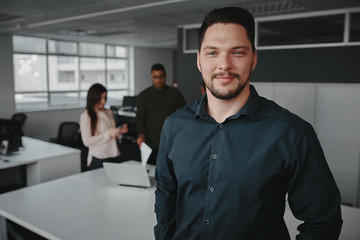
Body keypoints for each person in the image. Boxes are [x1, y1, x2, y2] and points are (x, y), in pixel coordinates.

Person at [154, 6, 342, 240]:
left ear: (253, 59)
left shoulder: (291, 132)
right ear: (199, 60)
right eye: (212, 53)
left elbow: (323, 222)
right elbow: (165, 196)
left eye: (238, 52)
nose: (224, 64)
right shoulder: (174, 125)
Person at [136, 63, 186, 165]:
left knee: (170, 171)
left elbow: (186, 111)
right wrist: (141, 135)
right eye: (155, 77)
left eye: (161, 77)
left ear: (165, 76)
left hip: (170, 140)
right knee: (151, 170)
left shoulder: (174, 93)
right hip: (150, 141)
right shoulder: (144, 95)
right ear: (151, 76)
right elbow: (140, 118)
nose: (158, 80)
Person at [80, 83, 128, 170]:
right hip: (99, 158)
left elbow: (111, 133)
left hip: (114, 154)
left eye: (105, 98)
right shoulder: (86, 116)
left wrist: (119, 132)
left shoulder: (109, 112)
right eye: (100, 98)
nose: (103, 101)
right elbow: (87, 141)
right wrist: (108, 134)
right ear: (93, 99)